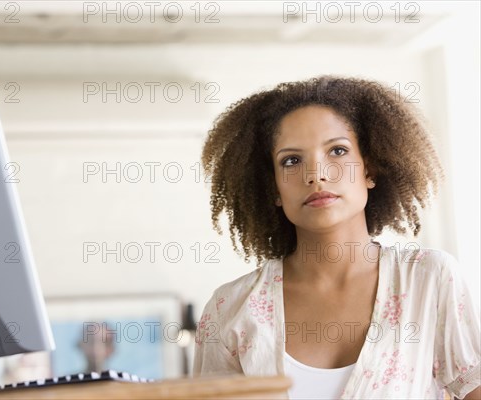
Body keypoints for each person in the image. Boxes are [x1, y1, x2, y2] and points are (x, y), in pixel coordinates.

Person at [193, 76, 480, 399]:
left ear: (368, 171)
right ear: (273, 188)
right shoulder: (230, 309)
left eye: (338, 151)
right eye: (291, 160)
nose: (316, 173)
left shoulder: (429, 280)